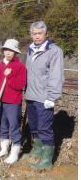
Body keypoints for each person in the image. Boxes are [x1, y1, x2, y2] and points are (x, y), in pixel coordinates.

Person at [24, 21, 64, 169]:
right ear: (31, 35)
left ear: (46, 34)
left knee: (44, 127)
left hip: (44, 97)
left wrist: (52, 97)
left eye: (40, 33)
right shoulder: (30, 50)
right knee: (34, 125)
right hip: (31, 96)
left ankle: (47, 160)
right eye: (34, 33)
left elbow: (56, 76)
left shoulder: (54, 51)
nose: (37, 36)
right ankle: (37, 150)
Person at [0, 39, 26, 164]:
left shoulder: (20, 67)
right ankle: (3, 149)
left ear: (15, 52)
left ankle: (14, 154)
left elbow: (19, 85)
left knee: (14, 126)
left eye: (11, 50)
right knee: (1, 124)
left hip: (12, 102)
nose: (8, 53)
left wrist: (9, 76)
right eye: (6, 50)